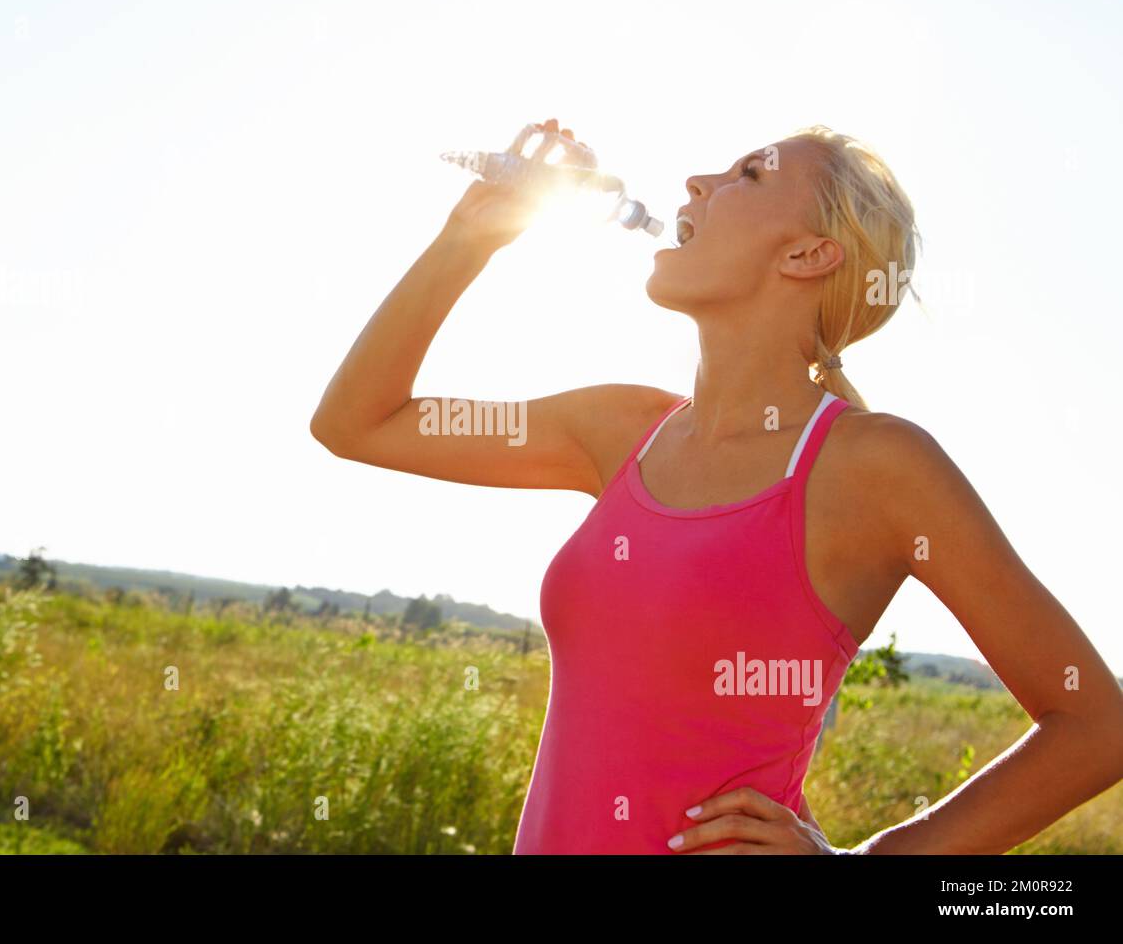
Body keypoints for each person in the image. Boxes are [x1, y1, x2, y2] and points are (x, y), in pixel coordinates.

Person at [310, 118, 1123, 854]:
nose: (696, 183)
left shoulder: (877, 467)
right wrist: (468, 238)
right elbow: (356, 424)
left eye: (750, 175)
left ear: (808, 255)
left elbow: (1096, 723)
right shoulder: (619, 429)